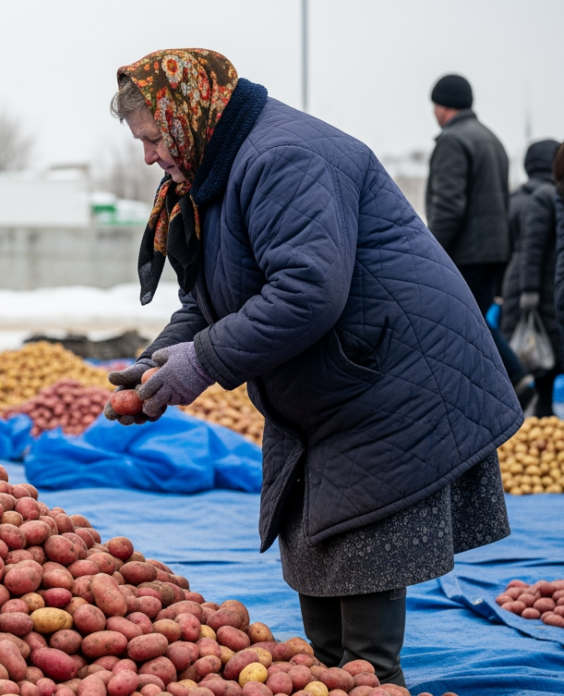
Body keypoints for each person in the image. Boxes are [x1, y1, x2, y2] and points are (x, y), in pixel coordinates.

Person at [103, 49, 517, 686]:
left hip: (390, 374)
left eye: (154, 138)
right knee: (318, 557)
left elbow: (306, 291)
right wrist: (159, 362)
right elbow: (209, 301)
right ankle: (334, 675)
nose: (150, 156)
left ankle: (373, 680)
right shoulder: (212, 172)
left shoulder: (283, 158)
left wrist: (203, 361)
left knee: (363, 564)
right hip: (331, 380)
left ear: (188, 115)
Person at [425, 74, 530, 399]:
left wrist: (429, 249)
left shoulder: (452, 141)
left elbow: (448, 205)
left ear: (443, 106)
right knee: (474, 319)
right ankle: (502, 385)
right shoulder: (491, 139)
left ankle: (514, 379)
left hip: (466, 252)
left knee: (462, 322)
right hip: (495, 250)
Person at [501, 140, 562, 417]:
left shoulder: (516, 198)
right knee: (542, 357)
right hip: (536, 288)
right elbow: (533, 247)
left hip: (522, 285)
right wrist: (529, 291)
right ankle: (540, 416)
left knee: (534, 355)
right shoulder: (545, 197)